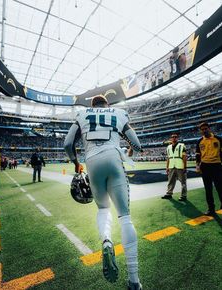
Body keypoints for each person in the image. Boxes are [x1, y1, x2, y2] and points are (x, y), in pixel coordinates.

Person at [64, 95, 143, 290]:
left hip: (92, 162)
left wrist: (76, 163)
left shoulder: (82, 114)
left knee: (103, 210)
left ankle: (107, 241)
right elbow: (137, 144)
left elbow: (67, 144)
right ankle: (134, 281)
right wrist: (130, 152)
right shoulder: (119, 113)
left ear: (92, 105)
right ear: (107, 105)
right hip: (113, 157)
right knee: (125, 217)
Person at [196, 122, 222, 215]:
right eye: (202, 129)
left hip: (217, 166)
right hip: (205, 166)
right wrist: (197, 165)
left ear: (209, 128)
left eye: (205, 128)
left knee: (220, 188)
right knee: (208, 189)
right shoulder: (199, 141)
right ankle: (211, 209)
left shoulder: (219, 139)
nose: (204, 130)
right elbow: (198, 155)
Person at [162, 133, 187, 201]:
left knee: (183, 182)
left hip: (180, 166)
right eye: (172, 137)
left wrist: (185, 167)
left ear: (177, 138)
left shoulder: (182, 146)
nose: (174, 138)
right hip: (171, 166)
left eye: (175, 137)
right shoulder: (168, 147)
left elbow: (184, 157)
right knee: (170, 181)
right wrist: (167, 167)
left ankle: (183, 195)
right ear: (170, 138)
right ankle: (169, 194)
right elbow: (168, 158)